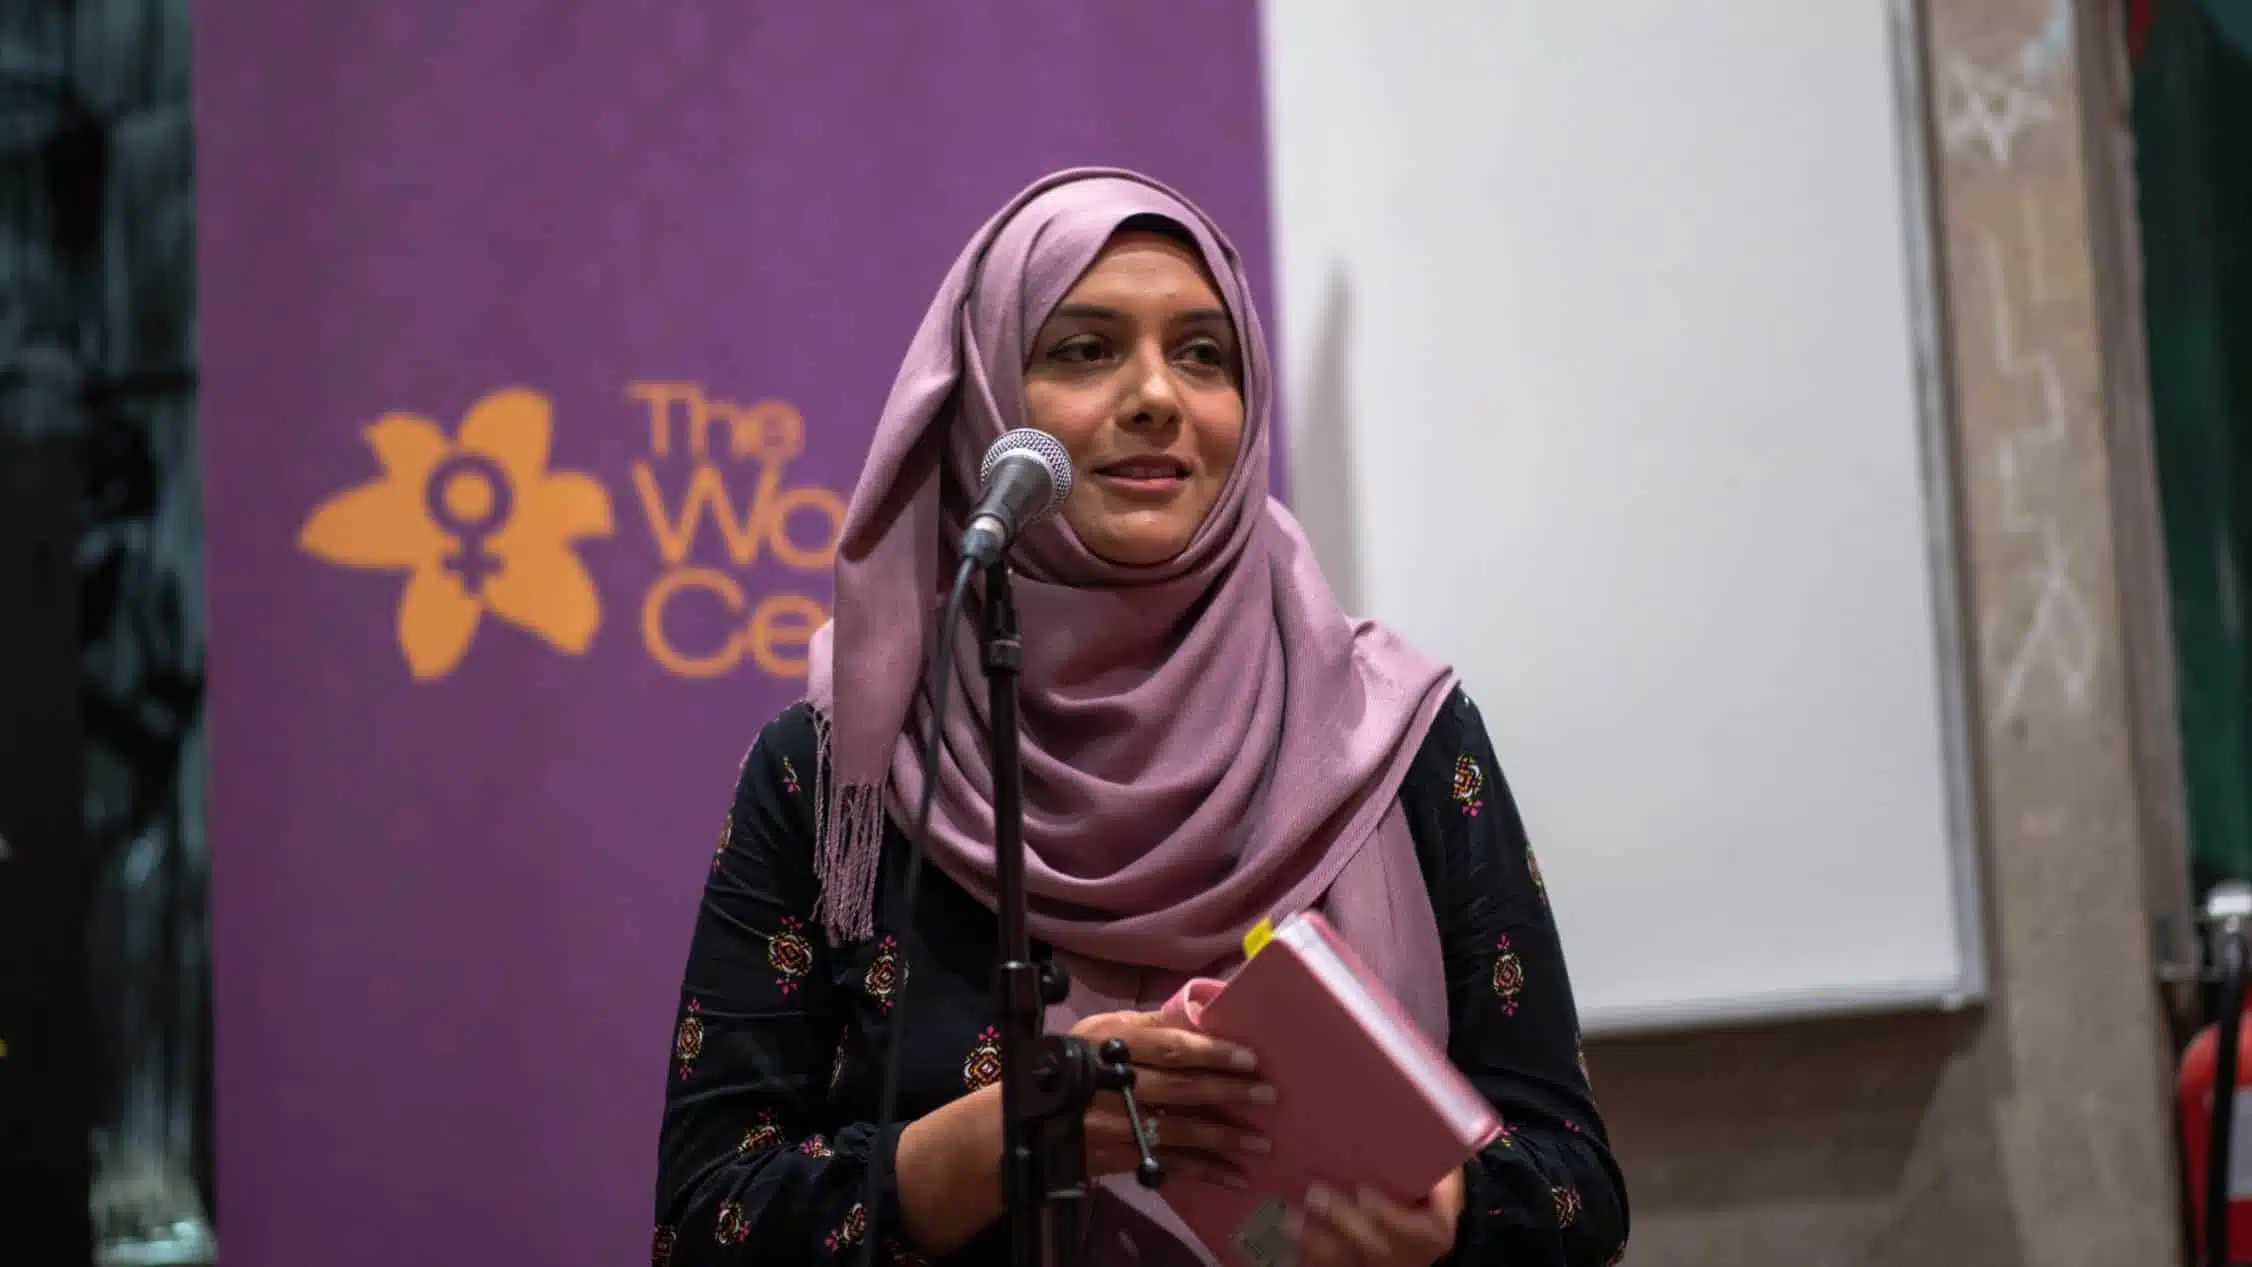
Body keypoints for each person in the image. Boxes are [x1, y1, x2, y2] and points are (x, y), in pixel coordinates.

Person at [652, 167, 1628, 1267]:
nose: (1158, 394)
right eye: (1084, 347)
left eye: (1203, 353)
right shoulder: (847, 770)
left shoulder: (1398, 734)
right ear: (981, 395)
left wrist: (1446, 1214)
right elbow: (704, 1223)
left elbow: (1576, 1187)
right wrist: (994, 1144)